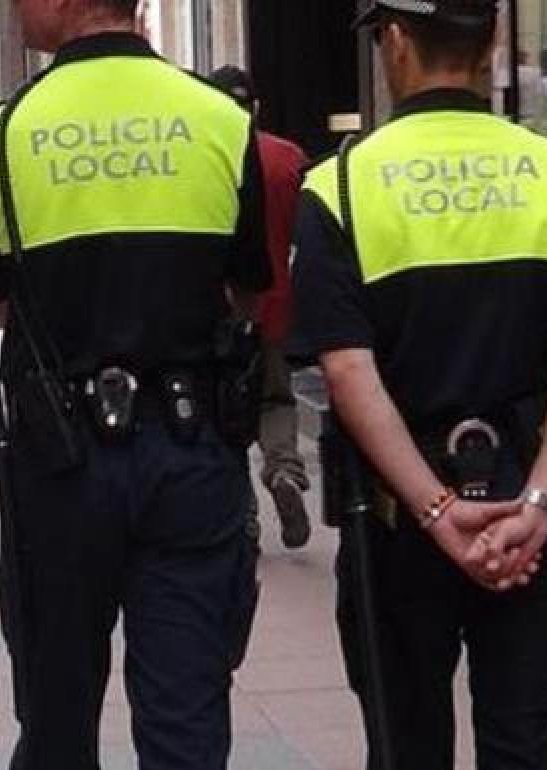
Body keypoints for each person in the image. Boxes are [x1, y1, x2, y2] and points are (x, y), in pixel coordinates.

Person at [291, 2, 547, 768]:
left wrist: (438, 509)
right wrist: (541, 508)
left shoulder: (340, 187)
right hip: (535, 523)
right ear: (493, 44)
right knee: (526, 740)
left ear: (395, 41)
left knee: (407, 741)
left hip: (398, 524)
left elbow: (349, 371)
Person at [0, 0, 270, 766]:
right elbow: (252, 291)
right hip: (192, 446)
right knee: (187, 712)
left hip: (60, 462)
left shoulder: (1, 132)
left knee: (57, 713)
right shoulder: (221, 120)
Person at [209, 65, 312, 549]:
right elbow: (306, 237)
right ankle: (284, 470)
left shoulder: (204, 157)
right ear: (257, 108)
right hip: (274, 306)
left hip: (216, 311)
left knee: (220, 410)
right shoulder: (287, 158)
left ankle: (242, 512)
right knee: (275, 398)